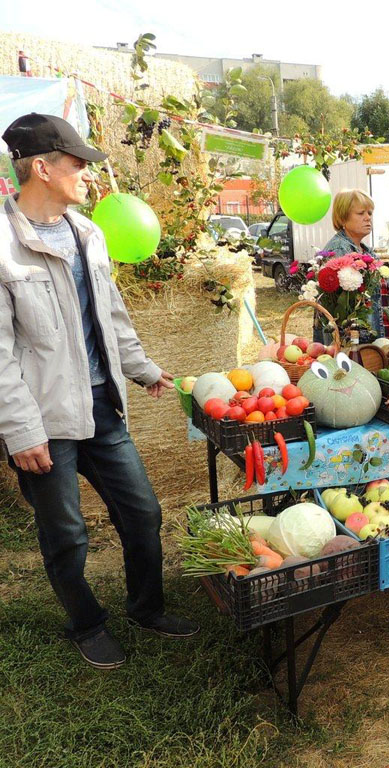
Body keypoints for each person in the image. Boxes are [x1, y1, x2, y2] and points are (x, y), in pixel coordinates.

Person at [0, 113, 197, 670]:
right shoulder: (4, 247)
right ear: (42, 167)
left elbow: (111, 317)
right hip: (43, 419)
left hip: (101, 407)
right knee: (66, 533)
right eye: (77, 164)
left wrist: (143, 369)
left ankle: (146, 607)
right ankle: (87, 623)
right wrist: (19, 430)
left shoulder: (89, 233)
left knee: (143, 513)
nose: (88, 175)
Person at [319, 189, 384, 338]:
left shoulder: (366, 251)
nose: (368, 218)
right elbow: (339, 312)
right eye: (361, 213)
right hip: (352, 344)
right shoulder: (339, 250)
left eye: (370, 213)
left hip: (370, 338)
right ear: (342, 219)